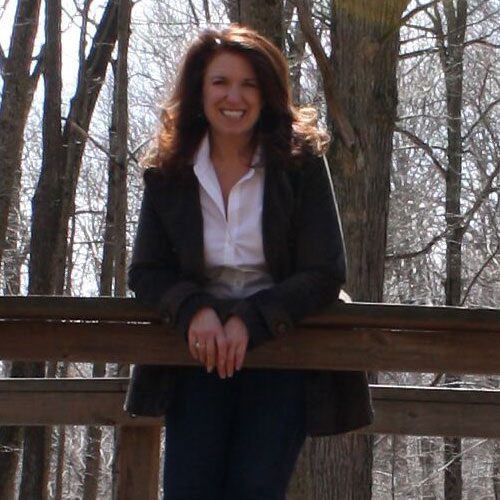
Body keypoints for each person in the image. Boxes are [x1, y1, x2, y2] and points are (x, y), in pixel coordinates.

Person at [125, 25, 373, 500]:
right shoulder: (169, 171)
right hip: (196, 351)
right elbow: (147, 270)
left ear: (267, 93)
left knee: (255, 489)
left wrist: (252, 321)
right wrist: (193, 308)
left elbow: (325, 271)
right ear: (199, 91)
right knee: (188, 489)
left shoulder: (299, 163)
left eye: (248, 84)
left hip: (284, 345)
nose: (233, 96)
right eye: (220, 82)